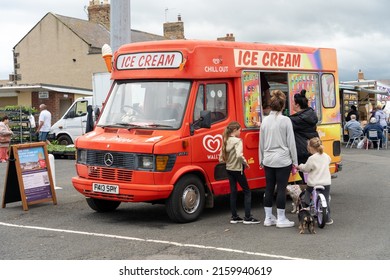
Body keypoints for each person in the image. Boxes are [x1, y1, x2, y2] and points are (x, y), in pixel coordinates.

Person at [260, 90, 298, 228]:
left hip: (268, 159)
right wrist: (295, 161)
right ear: (283, 106)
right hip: (283, 160)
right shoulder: (286, 120)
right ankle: (281, 219)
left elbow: (261, 142)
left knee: (269, 188)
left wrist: (261, 159)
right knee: (281, 189)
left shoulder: (264, 121)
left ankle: (268, 218)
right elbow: (291, 143)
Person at [219, 121, 260, 224]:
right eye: (239, 130)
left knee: (233, 192)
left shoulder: (225, 140)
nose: (240, 132)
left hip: (229, 168)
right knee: (247, 191)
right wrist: (245, 163)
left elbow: (221, 158)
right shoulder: (237, 141)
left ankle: (234, 216)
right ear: (234, 130)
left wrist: (228, 161)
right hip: (237, 169)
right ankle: (248, 217)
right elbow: (238, 155)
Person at [297, 137, 333, 225]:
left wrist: (300, 166)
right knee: (326, 200)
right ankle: (328, 219)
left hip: (314, 183)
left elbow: (306, 168)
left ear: (310, 148)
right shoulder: (326, 156)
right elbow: (329, 161)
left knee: (307, 196)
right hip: (326, 183)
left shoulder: (312, 158)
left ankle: (307, 213)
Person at [289, 89, 319, 184]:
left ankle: (308, 196)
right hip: (313, 147)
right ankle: (314, 195)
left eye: (293, 102)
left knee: (305, 179)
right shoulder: (311, 114)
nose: (292, 104)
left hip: (302, 150)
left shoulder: (297, 119)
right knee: (313, 175)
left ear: (297, 105)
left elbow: (282, 124)